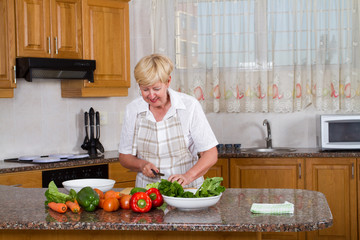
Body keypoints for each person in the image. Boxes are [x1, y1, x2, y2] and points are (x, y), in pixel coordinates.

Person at [118, 54, 218, 188]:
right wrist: (142, 165)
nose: (151, 95)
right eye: (145, 89)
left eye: (156, 89)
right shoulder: (133, 109)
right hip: (147, 193)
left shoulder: (189, 106)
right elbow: (125, 157)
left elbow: (210, 154)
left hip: (186, 189)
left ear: (168, 82)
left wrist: (187, 176)